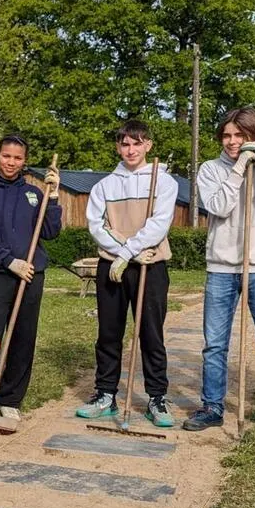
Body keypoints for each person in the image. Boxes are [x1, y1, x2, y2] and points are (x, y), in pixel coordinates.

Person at [182, 108, 255, 434]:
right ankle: (212, 407)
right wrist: (238, 170)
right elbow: (218, 207)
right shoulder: (210, 169)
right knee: (215, 344)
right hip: (221, 268)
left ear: (254, 136)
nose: (233, 141)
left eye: (240, 135)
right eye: (227, 135)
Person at [77, 120, 177, 427]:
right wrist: (126, 253)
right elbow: (97, 226)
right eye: (125, 144)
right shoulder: (104, 186)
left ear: (148, 145)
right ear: (118, 147)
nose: (131, 150)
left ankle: (157, 397)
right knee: (109, 332)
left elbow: (159, 225)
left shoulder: (164, 182)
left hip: (151, 264)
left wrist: (131, 251)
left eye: (137, 143)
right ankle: (105, 394)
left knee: (151, 333)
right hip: (113, 267)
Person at [0, 135, 62, 421]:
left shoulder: (34, 193)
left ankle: (10, 398)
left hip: (30, 276)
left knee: (23, 338)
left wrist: (53, 195)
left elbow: (50, 231)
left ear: (24, 161)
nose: (11, 162)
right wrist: (9, 261)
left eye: (17, 158)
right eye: (6, 156)